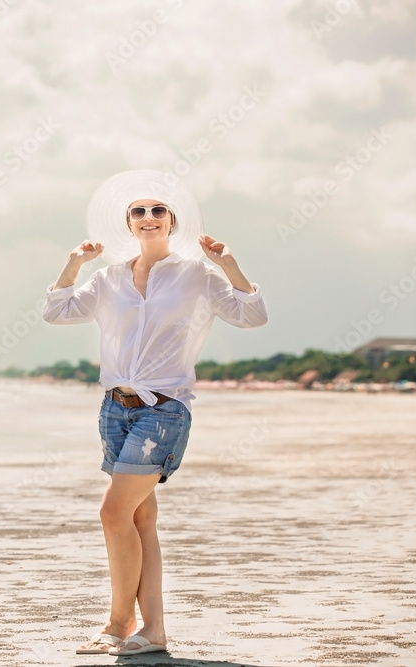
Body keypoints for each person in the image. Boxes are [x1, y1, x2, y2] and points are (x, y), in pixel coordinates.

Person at [41, 170, 268, 656]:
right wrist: (72, 264)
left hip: (163, 411)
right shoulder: (108, 278)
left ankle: (119, 621)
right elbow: (57, 312)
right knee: (140, 522)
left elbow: (252, 314)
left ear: (172, 221)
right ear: (127, 222)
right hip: (114, 410)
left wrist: (228, 264)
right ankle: (153, 630)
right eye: (139, 211)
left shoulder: (196, 276)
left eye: (158, 210)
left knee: (112, 512)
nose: (148, 218)